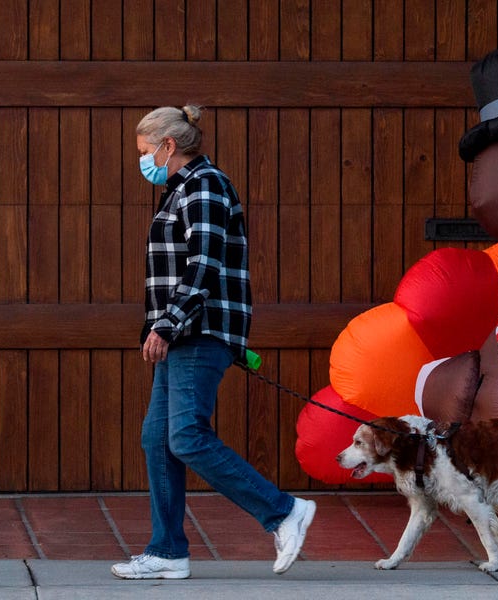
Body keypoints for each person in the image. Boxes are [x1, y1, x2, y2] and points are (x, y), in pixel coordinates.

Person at [111, 104, 316, 580]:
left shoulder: (204, 186)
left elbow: (203, 264)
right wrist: (163, 325)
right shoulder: (181, 188)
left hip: (199, 330)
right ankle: (166, 552)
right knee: (157, 439)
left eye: (145, 151)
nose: (142, 162)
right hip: (185, 330)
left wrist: (167, 323)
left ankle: (283, 511)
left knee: (184, 436)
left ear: (168, 145)